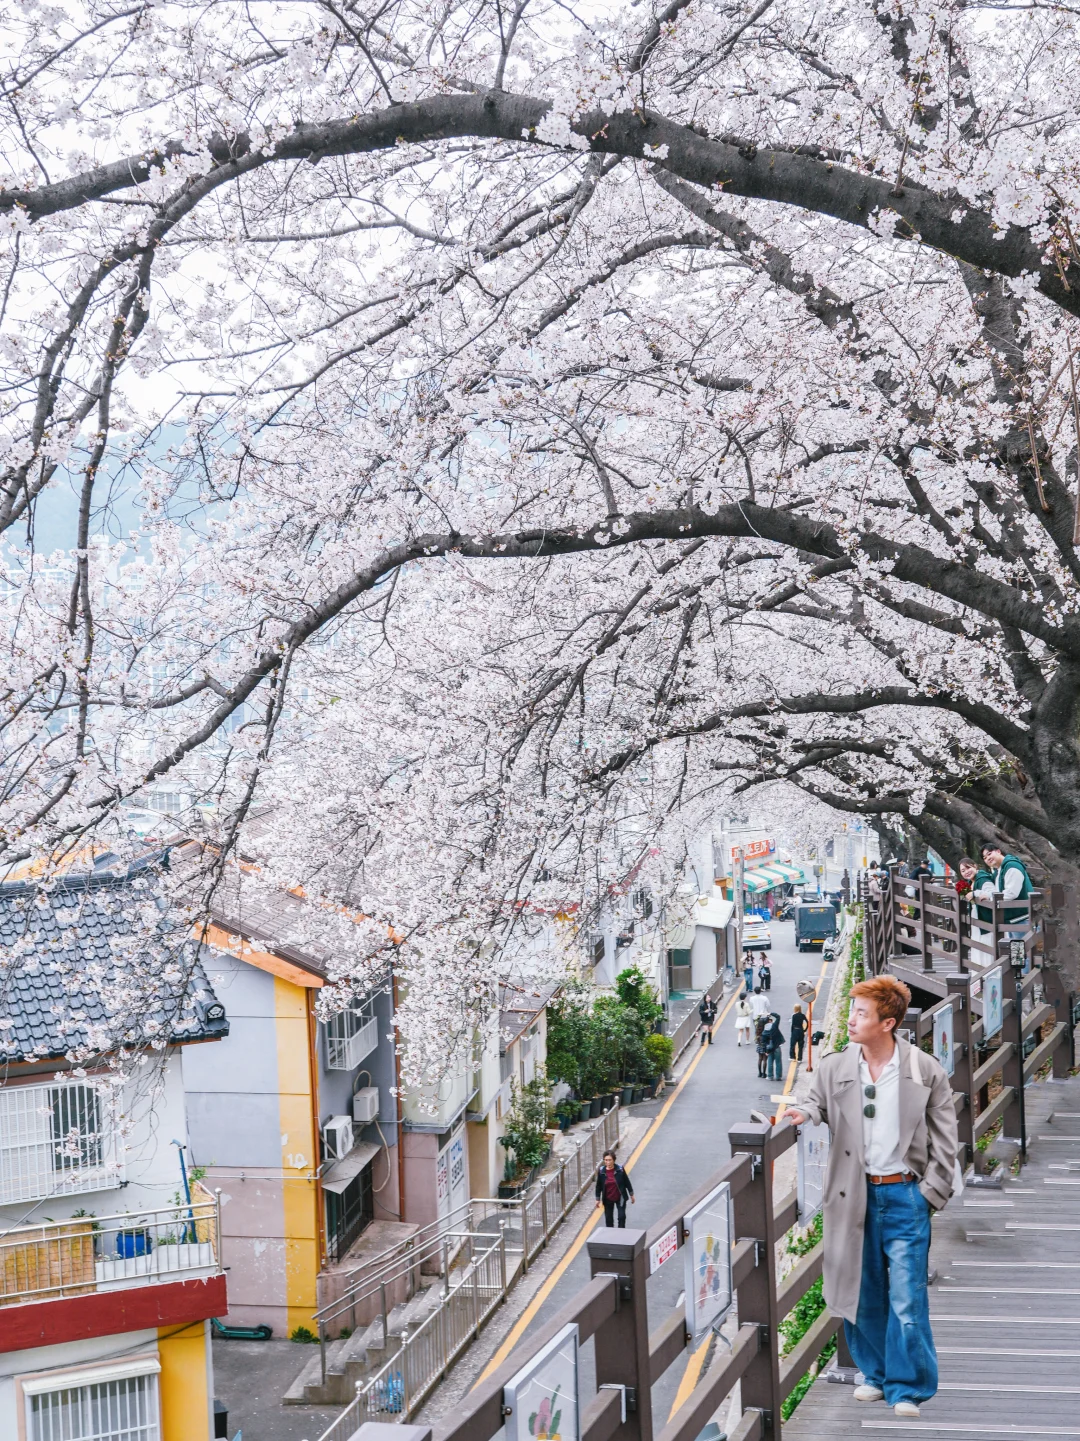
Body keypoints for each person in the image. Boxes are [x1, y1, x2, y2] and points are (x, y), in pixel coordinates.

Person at [786, 974, 958, 1421]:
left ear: (887, 1023)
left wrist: (929, 1194)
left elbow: (945, 1140)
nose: (850, 1020)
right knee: (859, 1291)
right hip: (853, 1195)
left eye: (860, 1013)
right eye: (852, 1010)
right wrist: (799, 1112)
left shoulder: (923, 1069)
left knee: (906, 1295)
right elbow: (813, 1102)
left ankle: (908, 1387)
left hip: (905, 1194)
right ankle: (876, 1375)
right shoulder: (835, 1066)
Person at [981, 843, 1033, 927]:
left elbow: (1011, 893)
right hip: (1013, 917)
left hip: (1022, 918)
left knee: (1021, 940)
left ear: (998, 851)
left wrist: (990, 898)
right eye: (985, 858)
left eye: (989, 854)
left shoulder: (1012, 866)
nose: (988, 858)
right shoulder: (999, 870)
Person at [594, 1150, 635, 1227]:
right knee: (609, 1219)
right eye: (606, 1160)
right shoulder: (601, 1171)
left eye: (610, 1160)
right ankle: (610, 1235)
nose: (608, 1162)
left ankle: (621, 1233)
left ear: (614, 1160)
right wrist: (597, 1199)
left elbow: (627, 1182)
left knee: (621, 1217)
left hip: (620, 1197)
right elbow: (598, 1186)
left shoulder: (620, 1169)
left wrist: (631, 1194)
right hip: (608, 1198)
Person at [762, 1012, 785, 1081]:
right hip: (777, 1046)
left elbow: (763, 1042)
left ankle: (770, 1076)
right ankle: (778, 1076)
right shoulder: (774, 1026)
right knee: (778, 1062)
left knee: (770, 1062)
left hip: (769, 1048)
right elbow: (778, 1016)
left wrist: (765, 1051)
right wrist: (770, 1013)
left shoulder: (764, 1031)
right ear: (770, 1021)